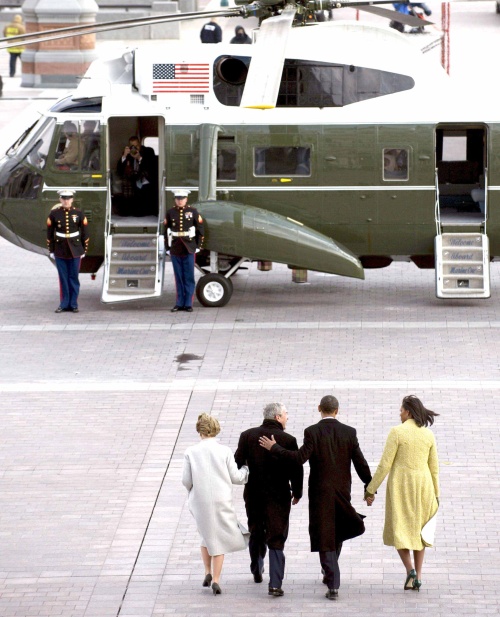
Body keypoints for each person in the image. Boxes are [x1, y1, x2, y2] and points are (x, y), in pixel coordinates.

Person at [259, 395, 372, 601]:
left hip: (320, 493)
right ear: (337, 410)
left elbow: (298, 459)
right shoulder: (349, 432)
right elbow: (360, 462)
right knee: (335, 531)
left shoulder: (312, 432)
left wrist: (274, 448)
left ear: (319, 408)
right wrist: (369, 487)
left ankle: (332, 581)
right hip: (342, 491)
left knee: (325, 535)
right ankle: (331, 570)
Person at [364, 395, 440, 593]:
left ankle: (410, 571)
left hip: (401, 486)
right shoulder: (428, 435)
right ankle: (419, 576)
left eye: (401, 410)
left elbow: (384, 465)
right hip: (424, 487)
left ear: (409, 412)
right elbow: (434, 469)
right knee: (420, 531)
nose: (400, 413)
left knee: (400, 529)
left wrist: (370, 489)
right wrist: (437, 495)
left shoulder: (397, 432)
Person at [234, 403, 303, 596]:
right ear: (278, 417)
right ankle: (275, 583)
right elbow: (296, 468)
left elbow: (237, 461)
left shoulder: (247, 435)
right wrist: (297, 492)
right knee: (277, 535)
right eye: (286, 414)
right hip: (279, 495)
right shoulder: (288, 439)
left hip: (254, 493)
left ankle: (256, 567)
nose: (287, 418)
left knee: (256, 529)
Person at [182, 413, 249, 595]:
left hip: (200, 500)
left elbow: (186, 480)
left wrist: (193, 491)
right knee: (219, 537)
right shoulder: (224, 451)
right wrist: (245, 469)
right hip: (221, 499)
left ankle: (207, 571)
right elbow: (236, 477)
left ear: (199, 430)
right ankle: (217, 580)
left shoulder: (191, 452)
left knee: (206, 534)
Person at [46, 190, 89, 313]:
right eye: (64, 198)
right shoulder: (54, 214)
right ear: (60, 199)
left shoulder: (79, 213)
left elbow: (85, 232)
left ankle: (74, 304)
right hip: (60, 249)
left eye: (68, 198)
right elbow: (50, 233)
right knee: (63, 278)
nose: (66, 200)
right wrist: (51, 250)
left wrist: (84, 249)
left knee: (73, 277)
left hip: (75, 249)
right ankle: (64, 304)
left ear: (72, 199)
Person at [164, 190, 204, 313]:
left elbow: (200, 229)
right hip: (176, 247)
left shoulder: (193, 211)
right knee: (178, 277)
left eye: (182, 198)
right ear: (175, 199)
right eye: (177, 198)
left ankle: (188, 303)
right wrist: (167, 247)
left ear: (186, 199)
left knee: (188, 276)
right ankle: (179, 303)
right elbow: (165, 230)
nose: (180, 200)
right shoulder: (170, 212)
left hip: (189, 247)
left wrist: (198, 245)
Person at [116, 136, 157, 216]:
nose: (135, 148)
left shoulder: (148, 151)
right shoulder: (128, 154)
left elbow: (151, 167)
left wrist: (139, 158)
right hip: (134, 182)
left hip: (146, 181)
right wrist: (124, 156)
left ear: (140, 144)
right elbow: (119, 170)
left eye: (136, 146)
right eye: (132, 146)